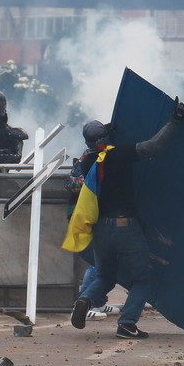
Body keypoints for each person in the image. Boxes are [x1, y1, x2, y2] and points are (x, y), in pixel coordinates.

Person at [68, 98, 184, 339]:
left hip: (100, 230)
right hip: (125, 226)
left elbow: (101, 154)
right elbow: (154, 146)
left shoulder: (86, 162)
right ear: (106, 137)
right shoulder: (119, 154)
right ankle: (127, 324)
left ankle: (85, 298)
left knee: (105, 275)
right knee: (141, 280)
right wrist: (175, 121)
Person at [64, 120, 121, 321]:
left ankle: (97, 301)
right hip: (83, 214)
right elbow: (73, 183)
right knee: (98, 261)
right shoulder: (88, 159)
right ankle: (81, 304)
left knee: (104, 260)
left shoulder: (102, 155)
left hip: (97, 213)